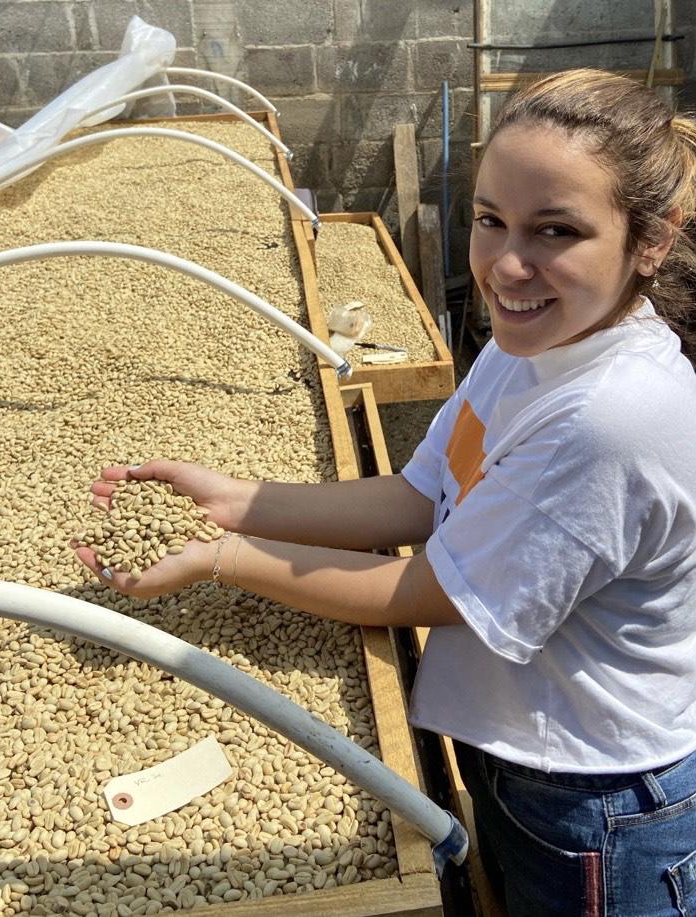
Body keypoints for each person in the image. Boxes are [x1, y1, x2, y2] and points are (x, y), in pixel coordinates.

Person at [75, 69, 696, 915]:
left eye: (555, 230)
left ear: (649, 241)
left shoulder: (610, 418)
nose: (506, 264)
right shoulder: (534, 343)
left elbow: (424, 589)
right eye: (489, 220)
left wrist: (224, 559)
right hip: (518, 748)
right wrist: (234, 499)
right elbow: (418, 495)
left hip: (596, 793)